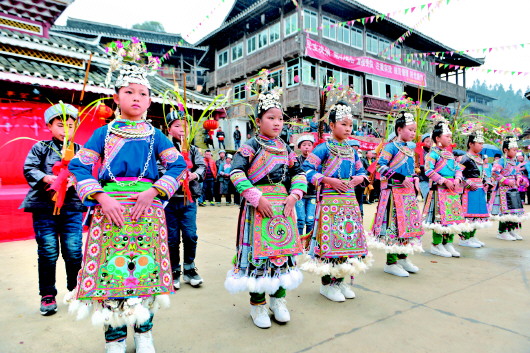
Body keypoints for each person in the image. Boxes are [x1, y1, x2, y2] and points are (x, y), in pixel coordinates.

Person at [67, 41, 187, 352]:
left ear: (150, 100)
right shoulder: (104, 133)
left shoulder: (156, 134)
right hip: (110, 212)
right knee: (111, 273)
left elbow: (178, 165)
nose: (137, 97)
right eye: (130, 92)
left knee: (145, 273)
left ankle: (144, 332)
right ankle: (115, 337)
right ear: (117, 97)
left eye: (143, 93)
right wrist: (101, 198)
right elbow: (79, 166)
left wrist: (154, 190)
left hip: (147, 212)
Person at [225, 89, 307, 329]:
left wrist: (295, 195)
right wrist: (256, 197)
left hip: (283, 208)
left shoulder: (286, 148)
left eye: (280, 118)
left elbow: (299, 173)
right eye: (271, 117)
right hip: (257, 209)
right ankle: (257, 304)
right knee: (258, 258)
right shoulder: (249, 146)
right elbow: (236, 172)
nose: (277, 123)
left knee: (282, 256)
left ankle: (278, 300)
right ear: (258, 121)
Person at [301, 101, 371, 302]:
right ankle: (326, 284)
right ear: (331, 126)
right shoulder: (323, 148)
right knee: (330, 243)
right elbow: (306, 170)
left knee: (347, 243)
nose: (348, 129)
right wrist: (327, 180)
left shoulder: (353, 150)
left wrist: (360, 178)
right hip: (329, 203)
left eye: (350, 125)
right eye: (343, 124)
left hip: (349, 203)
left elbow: (361, 171)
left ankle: (339, 282)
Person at [20, 103, 86, 316]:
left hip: (72, 207)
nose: (66, 130)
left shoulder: (80, 150)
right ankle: (47, 294)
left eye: (70, 125)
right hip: (44, 207)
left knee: (74, 251)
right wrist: (47, 178)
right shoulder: (40, 147)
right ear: (49, 126)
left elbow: (87, 173)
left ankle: (75, 290)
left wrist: (73, 180)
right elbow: (30, 168)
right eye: (60, 125)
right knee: (48, 252)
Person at [370, 111, 424, 277]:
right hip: (393, 194)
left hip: (407, 194)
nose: (413, 133)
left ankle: (403, 258)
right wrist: (400, 178)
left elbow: (411, 170)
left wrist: (414, 178)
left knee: (407, 226)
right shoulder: (390, 147)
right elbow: (380, 166)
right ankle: (391, 261)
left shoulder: (409, 149)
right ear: (399, 129)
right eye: (410, 129)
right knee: (393, 227)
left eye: (415, 130)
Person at [164, 111, 205, 290]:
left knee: (190, 235)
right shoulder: (163, 148)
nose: (182, 130)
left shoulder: (193, 149)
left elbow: (202, 166)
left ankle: (189, 268)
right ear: (169, 128)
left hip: (189, 200)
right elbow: (158, 166)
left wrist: (194, 174)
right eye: (177, 126)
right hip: (169, 201)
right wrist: (174, 176)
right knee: (172, 238)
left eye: (185, 126)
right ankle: (173, 270)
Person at [423, 114, 467, 258]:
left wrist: (457, 178)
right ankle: (436, 244)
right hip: (439, 190)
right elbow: (428, 170)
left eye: (450, 136)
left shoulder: (450, 155)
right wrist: (444, 180)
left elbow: (458, 168)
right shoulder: (432, 154)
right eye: (447, 136)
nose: (450, 139)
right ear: (437, 138)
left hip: (452, 190)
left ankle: (448, 243)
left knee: (452, 217)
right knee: (439, 219)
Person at [490, 133, 529, 240]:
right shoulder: (501, 161)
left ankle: (511, 230)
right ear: (506, 150)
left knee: (514, 210)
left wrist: (518, 178)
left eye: (516, 150)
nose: (516, 152)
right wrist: (506, 181)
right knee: (505, 211)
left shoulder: (514, 161)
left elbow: (517, 172)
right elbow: (494, 173)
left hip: (513, 188)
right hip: (504, 189)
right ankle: (502, 231)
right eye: (514, 150)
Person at [458, 122, 491, 248]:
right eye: (479, 143)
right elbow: (458, 172)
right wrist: (467, 182)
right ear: (471, 144)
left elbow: (483, 174)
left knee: (477, 215)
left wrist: (486, 182)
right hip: (469, 190)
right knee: (468, 214)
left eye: (482, 143)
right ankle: (464, 238)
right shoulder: (465, 158)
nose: (482, 146)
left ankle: (472, 236)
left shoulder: (480, 158)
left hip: (479, 189)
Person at [295, 134, 317, 236]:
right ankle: (299, 243)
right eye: (304, 145)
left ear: (312, 147)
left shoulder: (317, 161)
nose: (307, 147)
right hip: (300, 195)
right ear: (299, 147)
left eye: (309, 145)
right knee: (300, 220)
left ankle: (308, 243)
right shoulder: (296, 160)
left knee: (310, 220)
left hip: (312, 194)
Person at [418, 133, 432, 200]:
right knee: (428, 199)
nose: (429, 143)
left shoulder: (433, 152)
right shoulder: (419, 153)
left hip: (432, 179)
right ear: (422, 142)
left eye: (431, 141)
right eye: (427, 141)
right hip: (424, 179)